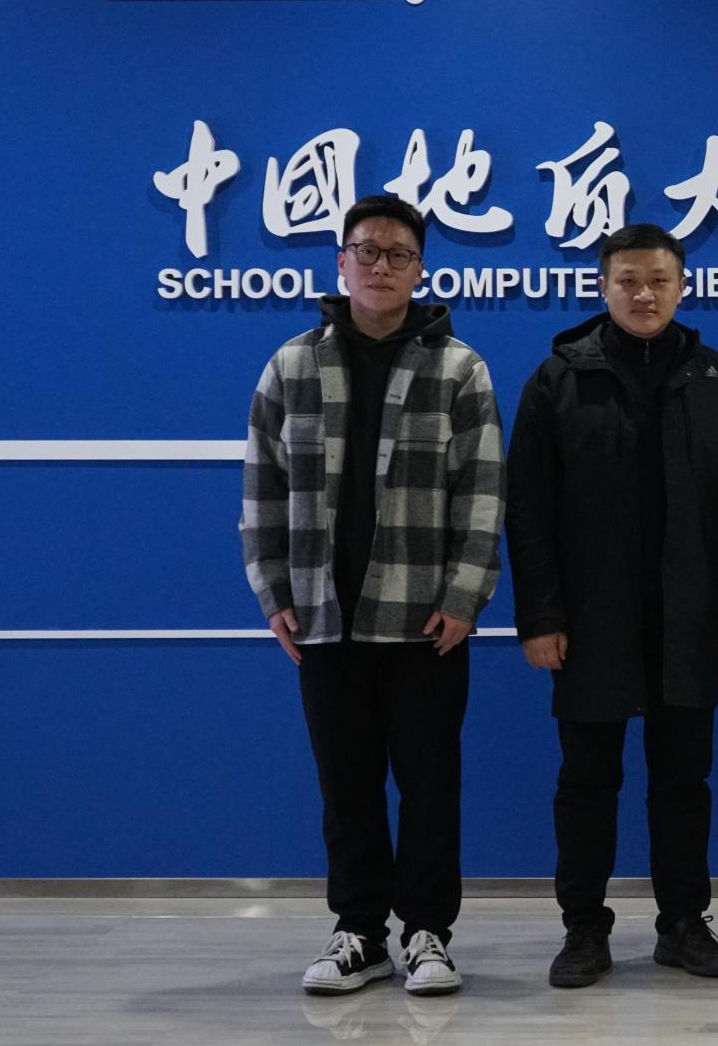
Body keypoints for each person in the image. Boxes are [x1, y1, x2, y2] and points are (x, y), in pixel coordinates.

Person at [241, 194, 505, 998]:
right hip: (324, 614)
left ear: (420, 269)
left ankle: (427, 933)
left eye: (398, 254)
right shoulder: (291, 366)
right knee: (345, 785)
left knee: (429, 785)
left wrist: (465, 595)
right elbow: (262, 487)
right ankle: (359, 932)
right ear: (341, 262)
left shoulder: (458, 368)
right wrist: (272, 591)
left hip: (424, 618)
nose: (381, 265)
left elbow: (483, 492)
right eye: (367, 250)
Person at [505, 223, 718, 988]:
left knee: (684, 782)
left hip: (689, 614)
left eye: (658, 280)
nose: (644, 294)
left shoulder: (716, 379)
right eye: (628, 281)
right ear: (603, 286)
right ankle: (584, 929)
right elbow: (528, 509)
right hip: (591, 620)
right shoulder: (559, 379)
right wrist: (540, 616)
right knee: (587, 782)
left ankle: (683, 925)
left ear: (682, 287)